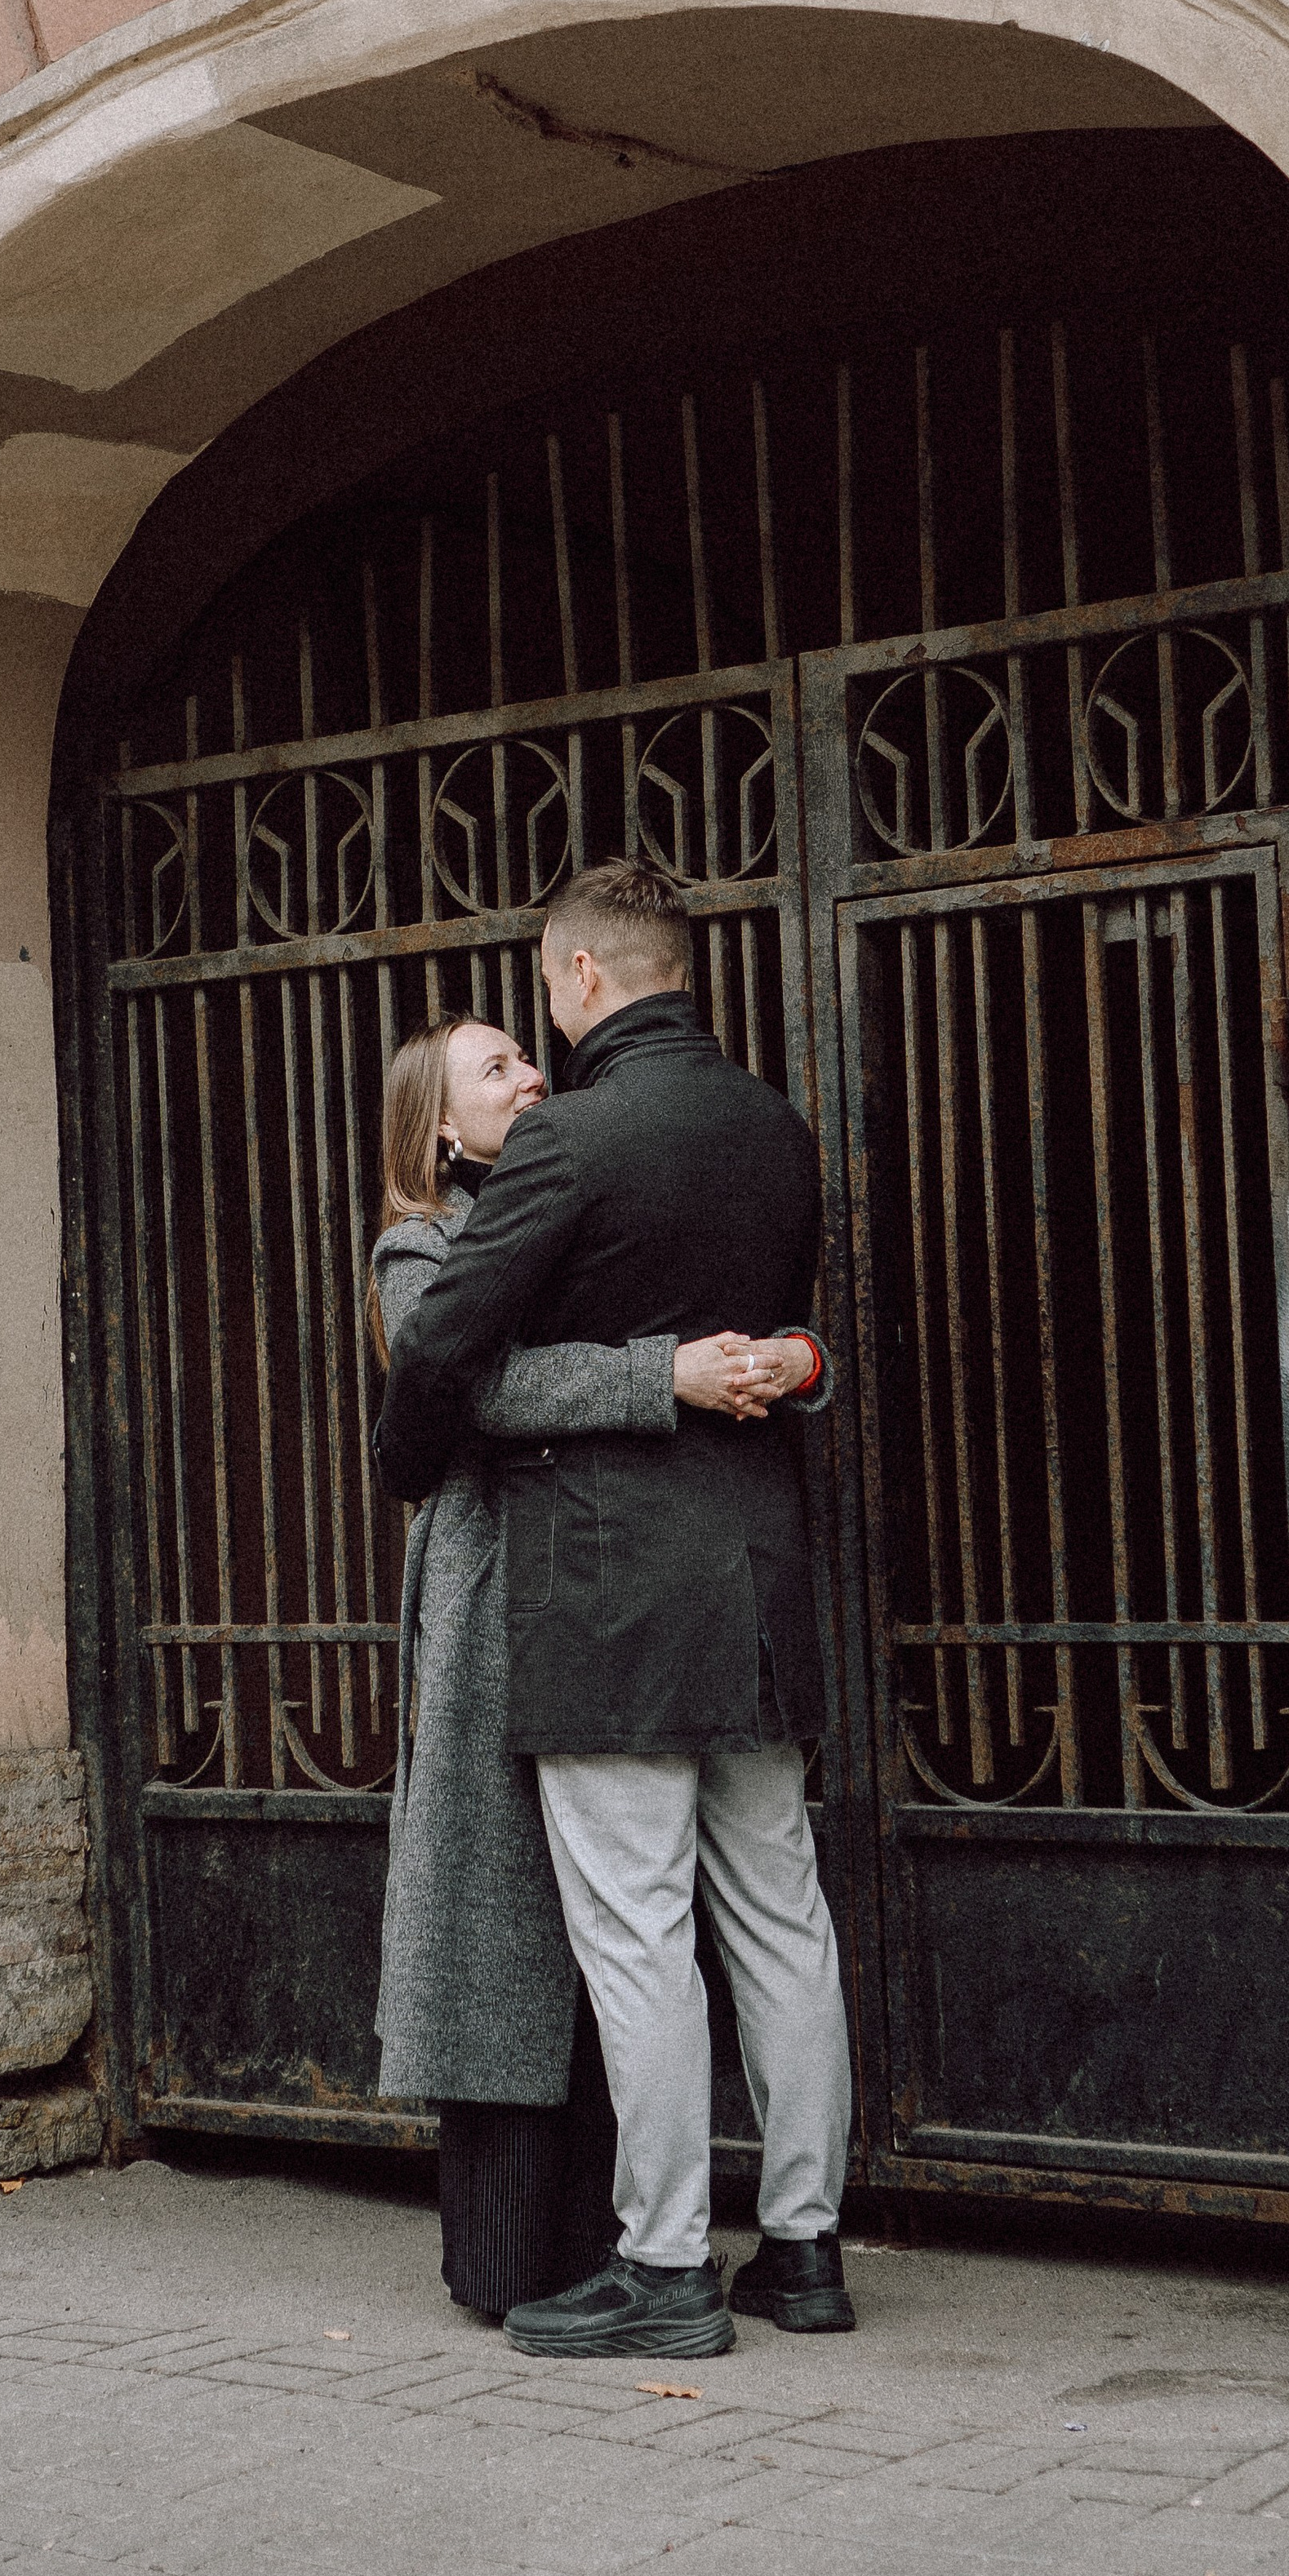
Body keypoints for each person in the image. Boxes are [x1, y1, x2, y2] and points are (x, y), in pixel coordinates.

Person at [376, 860, 856, 2361]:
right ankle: (807, 2253)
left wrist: (410, 1457)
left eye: (539, 1004)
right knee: (783, 1917)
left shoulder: (570, 1142)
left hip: (608, 1592)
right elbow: (782, 1320)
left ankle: (664, 2273)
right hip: (762, 1576)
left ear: (581, 976)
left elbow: (442, 1345)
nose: (537, 1038)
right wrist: (778, 1366)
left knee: (640, 1932)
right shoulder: (776, 1127)